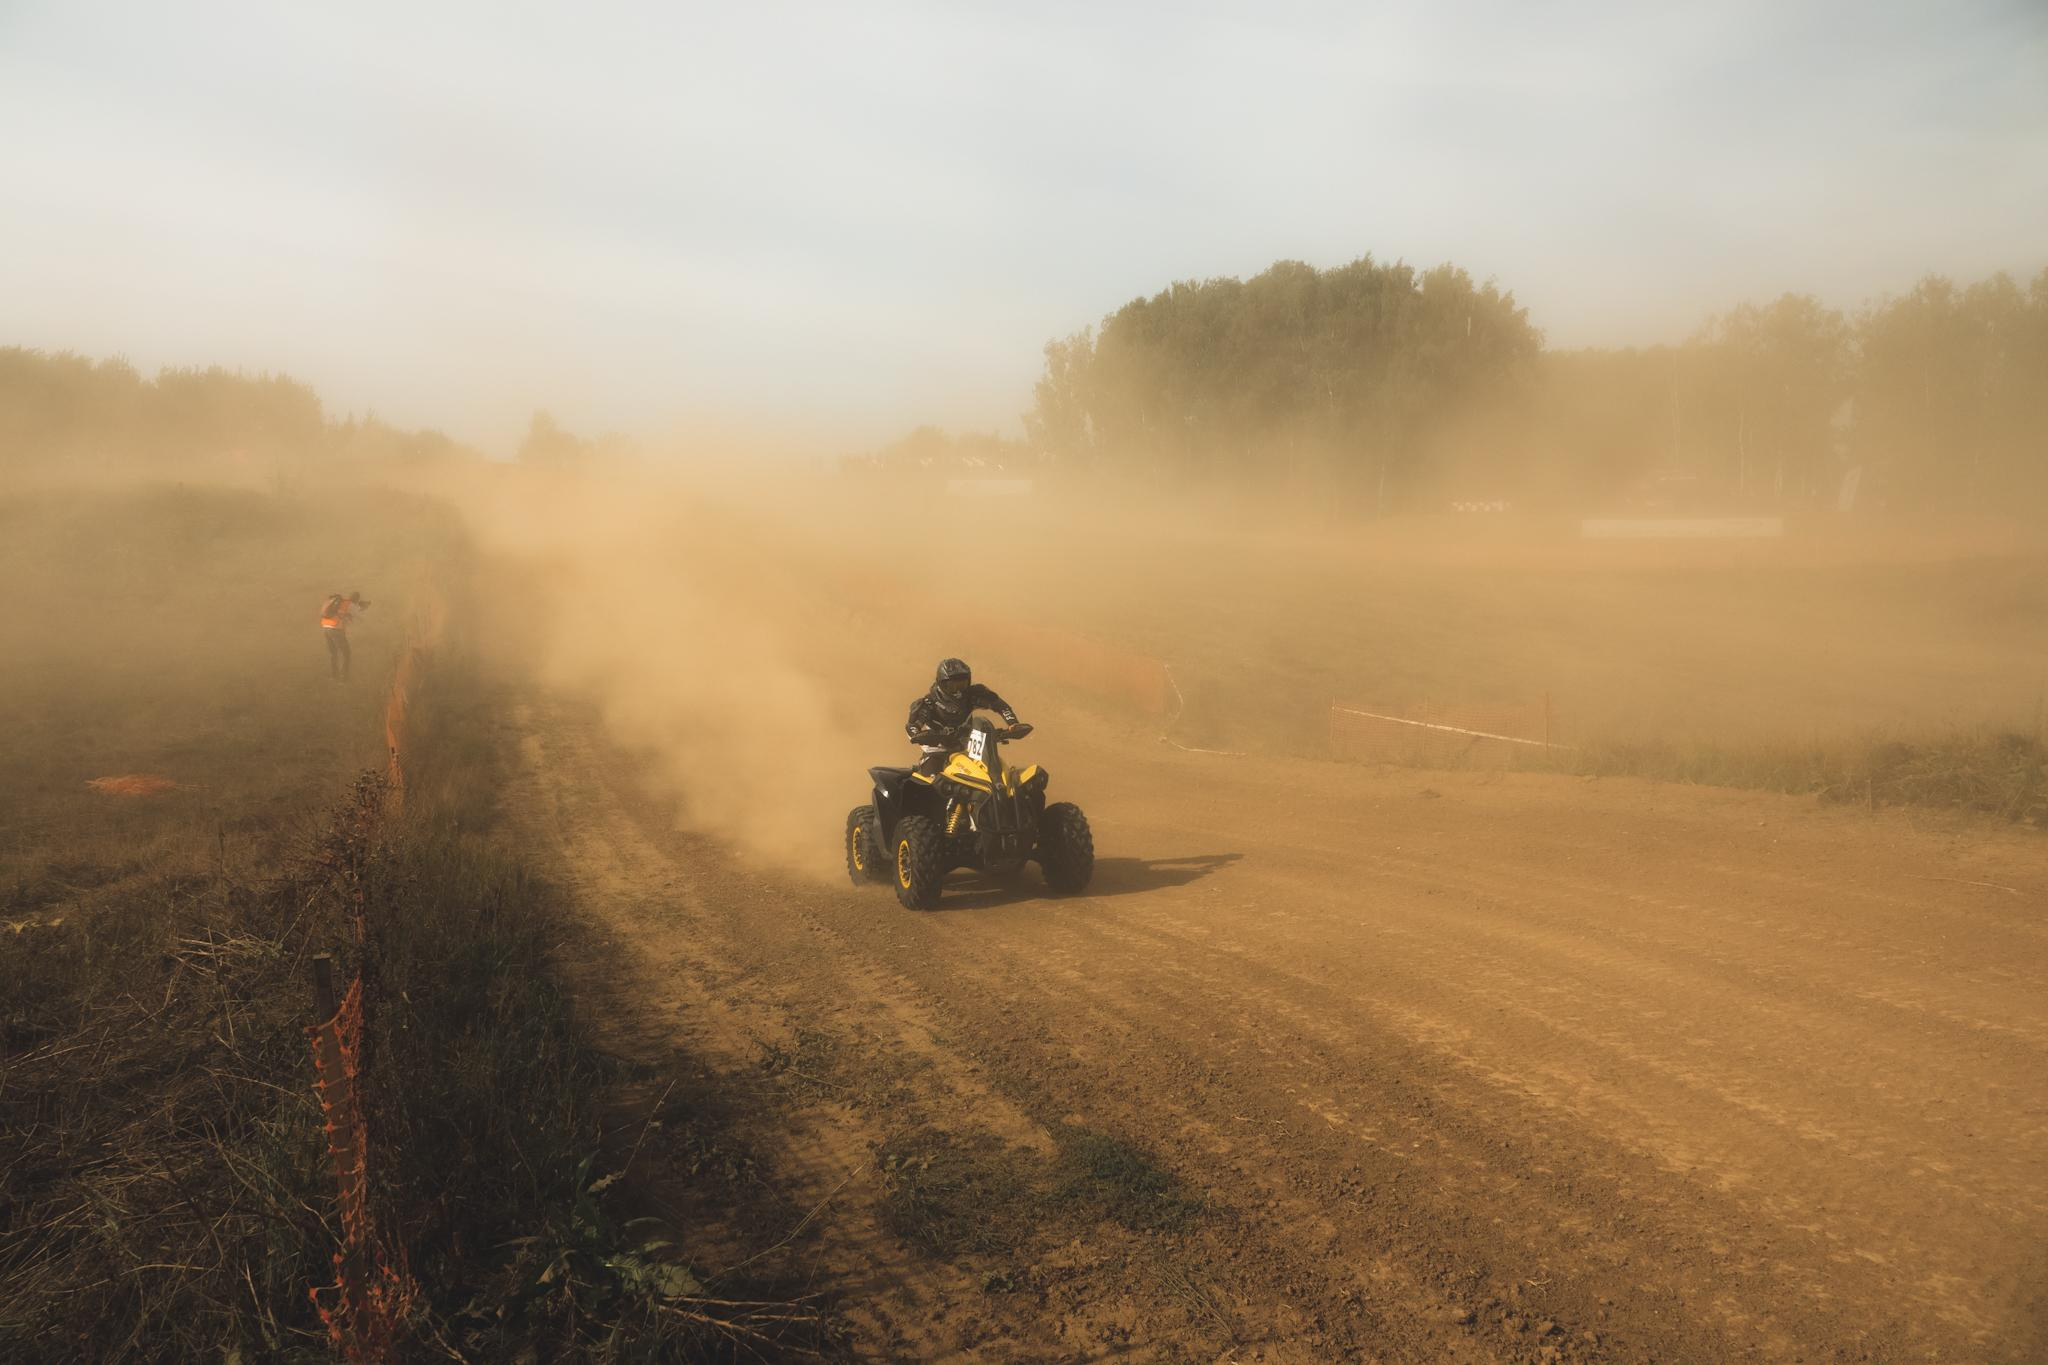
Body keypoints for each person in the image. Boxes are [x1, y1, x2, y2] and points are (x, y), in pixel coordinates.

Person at [905, 658, 1020, 774]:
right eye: (952, 686)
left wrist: (1013, 724)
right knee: (930, 776)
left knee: (1001, 772)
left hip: (968, 748)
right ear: (941, 683)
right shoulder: (927, 704)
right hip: (937, 751)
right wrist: (920, 736)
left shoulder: (973, 695)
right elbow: (912, 726)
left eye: (962, 685)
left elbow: (1000, 706)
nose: (958, 691)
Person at [320, 591, 370, 680]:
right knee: (346, 653)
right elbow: (361, 617)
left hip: (326, 627)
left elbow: (345, 616)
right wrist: (363, 608)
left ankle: (334, 676)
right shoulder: (350, 605)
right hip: (335, 629)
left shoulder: (341, 603)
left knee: (333, 653)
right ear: (357, 600)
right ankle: (344, 677)